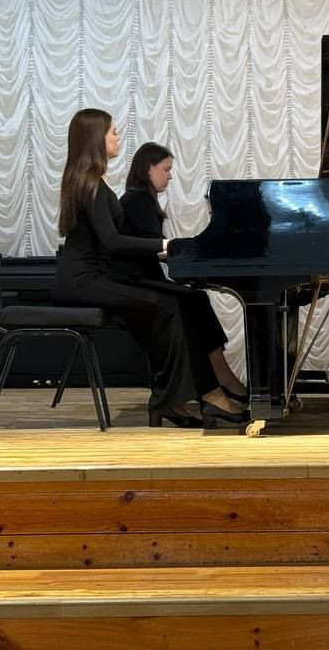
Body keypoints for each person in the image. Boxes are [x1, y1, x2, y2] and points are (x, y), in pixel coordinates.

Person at [52, 109, 248, 429]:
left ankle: (177, 397)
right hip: (82, 281)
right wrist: (165, 244)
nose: (118, 137)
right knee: (168, 305)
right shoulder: (89, 184)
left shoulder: (91, 181)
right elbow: (112, 242)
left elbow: (111, 241)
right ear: (95, 138)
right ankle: (198, 395)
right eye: (113, 132)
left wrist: (163, 246)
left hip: (92, 277)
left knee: (173, 305)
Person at [114, 142, 248, 403]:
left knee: (196, 299)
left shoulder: (139, 199)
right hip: (137, 282)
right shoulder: (138, 200)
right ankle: (218, 379)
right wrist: (193, 249)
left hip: (141, 278)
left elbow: (154, 246)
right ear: (149, 169)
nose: (170, 176)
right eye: (166, 170)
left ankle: (218, 378)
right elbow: (153, 247)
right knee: (195, 300)